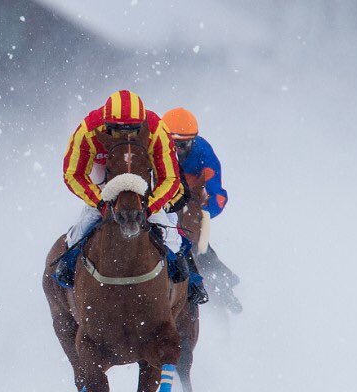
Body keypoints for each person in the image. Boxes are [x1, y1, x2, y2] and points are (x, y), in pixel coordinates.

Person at [56, 89, 207, 304]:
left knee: (171, 233)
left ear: (142, 125)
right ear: (105, 124)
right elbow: (73, 174)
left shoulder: (155, 129)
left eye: (133, 130)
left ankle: (190, 280)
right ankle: (68, 265)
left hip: (143, 183)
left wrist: (150, 208)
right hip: (104, 181)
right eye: (116, 130)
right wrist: (100, 203)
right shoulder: (88, 130)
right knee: (82, 227)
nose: (124, 135)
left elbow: (170, 178)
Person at [164, 107, 238, 310]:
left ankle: (222, 283)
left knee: (197, 242)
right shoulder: (155, 147)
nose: (178, 150)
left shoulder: (204, 152)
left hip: (191, 201)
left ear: (194, 141)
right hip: (163, 199)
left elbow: (219, 195)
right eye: (173, 144)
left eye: (184, 144)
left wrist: (205, 214)